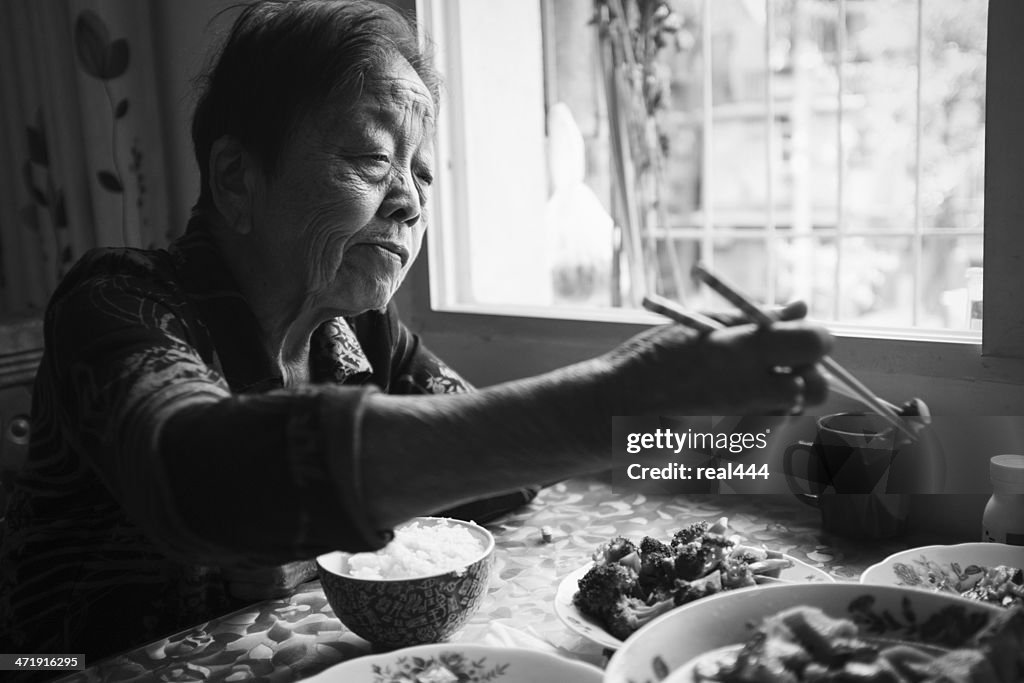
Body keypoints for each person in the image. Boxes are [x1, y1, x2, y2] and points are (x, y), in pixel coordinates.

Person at [0, 0, 831, 664]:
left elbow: (497, 476)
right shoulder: (115, 305)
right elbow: (201, 477)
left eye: (422, 172)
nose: (410, 200)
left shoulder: (357, 334)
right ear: (234, 177)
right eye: (370, 159)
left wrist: (683, 440)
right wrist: (605, 401)